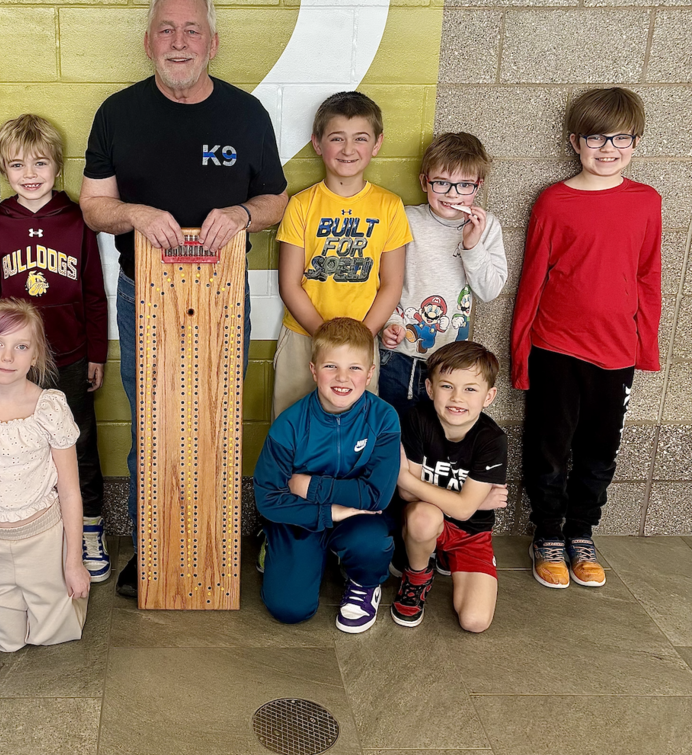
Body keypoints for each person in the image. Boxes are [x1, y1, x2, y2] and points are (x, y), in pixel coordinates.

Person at [80, 0, 288, 598]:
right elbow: (95, 207)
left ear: (213, 43)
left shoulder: (245, 113)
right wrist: (136, 214)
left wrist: (245, 216)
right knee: (154, 424)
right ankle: (154, 551)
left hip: (224, 297)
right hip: (143, 294)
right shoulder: (118, 112)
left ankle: (216, 551)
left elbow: (276, 199)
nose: (179, 42)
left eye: (191, 30)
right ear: (148, 42)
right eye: (166, 30)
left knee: (216, 422)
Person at [511, 87, 661, 589]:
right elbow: (531, 281)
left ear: (636, 142)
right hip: (555, 348)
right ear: (575, 141)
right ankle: (548, 534)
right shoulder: (554, 201)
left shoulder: (646, 202)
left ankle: (581, 534)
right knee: (548, 445)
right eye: (597, 137)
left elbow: (648, 278)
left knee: (600, 448)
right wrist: (521, 355)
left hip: (616, 352)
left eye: (621, 137)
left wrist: (646, 347)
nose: (608, 147)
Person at [0, 114, 110, 583]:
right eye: (17, 165)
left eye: (40, 163)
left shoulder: (78, 218)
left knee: (79, 442)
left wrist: (97, 352)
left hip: (71, 353)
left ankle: (90, 525)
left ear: (58, 167)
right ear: (3, 170)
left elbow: (94, 290)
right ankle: (47, 528)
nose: (29, 174)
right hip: (15, 361)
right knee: (26, 444)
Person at [0, 298, 90, 652]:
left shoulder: (49, 407)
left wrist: (74, 561)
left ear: (35, 356)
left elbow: (70, 491)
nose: (7, 357)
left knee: (51, 636)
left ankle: (63, 597)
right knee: (4, 642)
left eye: (21, 346)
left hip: (42, 540)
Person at [253, 318, 399, 632]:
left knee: (373, 541)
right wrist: (331, 510)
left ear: (370, 373)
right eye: (331, 366)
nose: (342, 378)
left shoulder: (384, 418)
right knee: (289, 609)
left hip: (356, 518)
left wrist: (309, 485)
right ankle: (283, 547)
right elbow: (267, 498)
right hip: (302, 517)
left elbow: (378, 495)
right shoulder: (290, 424)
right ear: (314, 370)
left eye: (355, 368)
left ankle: (364, 582)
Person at [273, 91, 412, 417]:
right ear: (318, 144)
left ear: (377, 144)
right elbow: (290, 284)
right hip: (303, 337)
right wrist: (325, 337)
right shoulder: (302, 205)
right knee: (293, 429)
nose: (348, 149)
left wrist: (361, 338)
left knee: (353, 435)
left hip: (362, 340)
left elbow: (391, 283)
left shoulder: (389, 206)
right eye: (337, 138)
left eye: (360, 139)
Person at [378, 132, 507, 411]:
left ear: (479, 185)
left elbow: (490, 291)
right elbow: (382, 280)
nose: (452, 194)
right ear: (425, 181)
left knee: (439, 437)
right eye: (442, 183)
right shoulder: (407, 219)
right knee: (393, 434)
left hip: (452, 362)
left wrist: (471, 246)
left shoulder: (487, 227)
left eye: (464, 185)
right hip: (400, 355)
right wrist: (388, 324)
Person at [390, 341, 507, 633]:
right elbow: (406, 495)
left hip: (471, 534)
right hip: (429, 520)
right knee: (422, 517)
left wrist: (407, 478)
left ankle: (445, 556)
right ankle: (417, 575)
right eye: (447, 386)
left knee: (475, 622)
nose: (457, 398)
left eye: (470, 389)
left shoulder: (492, 440)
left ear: (489, 396)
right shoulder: (417, 419)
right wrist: (472, 501)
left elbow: (465, 512)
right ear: (430, 389)